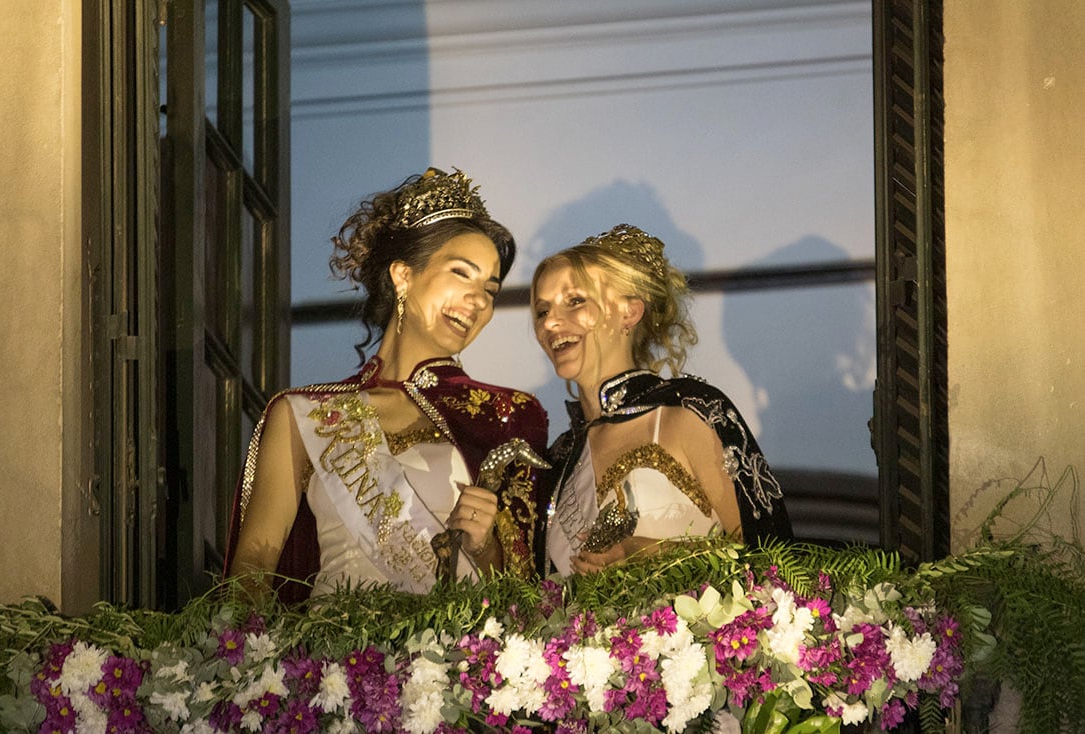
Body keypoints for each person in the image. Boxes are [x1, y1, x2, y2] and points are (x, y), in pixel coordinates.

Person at [224, 168, 548, 601]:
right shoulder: (303, 414)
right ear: (403, 275)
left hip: (455, 662)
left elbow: (528, 596)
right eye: (461, 273)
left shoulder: (505, 417)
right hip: (334, 660)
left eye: (490, 290)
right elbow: (250, 578)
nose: (478, 301)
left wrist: (486, 546)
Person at [530, 224, 791, 577]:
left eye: (575, 301)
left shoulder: (690, 412)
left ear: (629, 312)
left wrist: (642, 552)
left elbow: (770, 562)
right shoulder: (558, 460)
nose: (551, 323)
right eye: (542, 311)